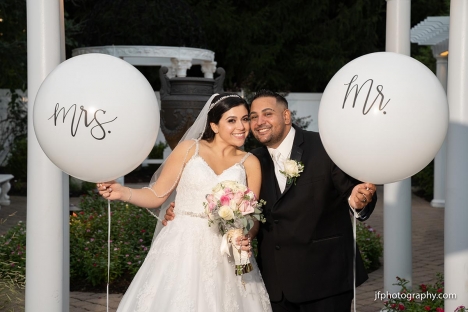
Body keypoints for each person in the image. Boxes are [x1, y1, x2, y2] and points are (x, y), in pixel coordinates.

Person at [165, 90, 377, 312]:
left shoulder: (325, 146)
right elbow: (231, 201)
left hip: (326, 280)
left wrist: (358, 201)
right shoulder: (252, 160)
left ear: (286, 116)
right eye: (253, 116)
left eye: (267, 114)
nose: (259, 122)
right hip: (276, 285)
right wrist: (183, 213)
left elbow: (357, 191)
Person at [97, 93, 272, 312]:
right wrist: (122, 192)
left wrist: (245, 237)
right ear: (214, 125)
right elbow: (158, 194)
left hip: (226, 250)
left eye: (245, 119)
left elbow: (251, 217)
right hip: (182, 244)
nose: (241, 126)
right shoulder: (190, 148)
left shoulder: (250, 162)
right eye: (231, 120)